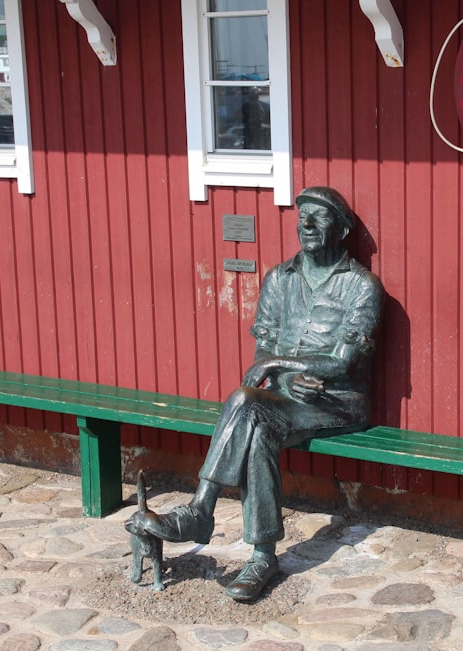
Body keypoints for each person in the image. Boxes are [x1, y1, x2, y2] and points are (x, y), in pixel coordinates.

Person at [127, 186, 385, 601]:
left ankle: (202, 512)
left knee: (247, 400)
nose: (307, 224)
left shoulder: (361, 286)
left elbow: (343, 361)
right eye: (302, 216)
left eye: (319, 217)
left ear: (341, 228)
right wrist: (284, 377)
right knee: (257, 425)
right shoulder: (278, 279)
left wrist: (274, 368)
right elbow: (264, 348)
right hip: (285, 399)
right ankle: (262, 556)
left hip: (337, 402)